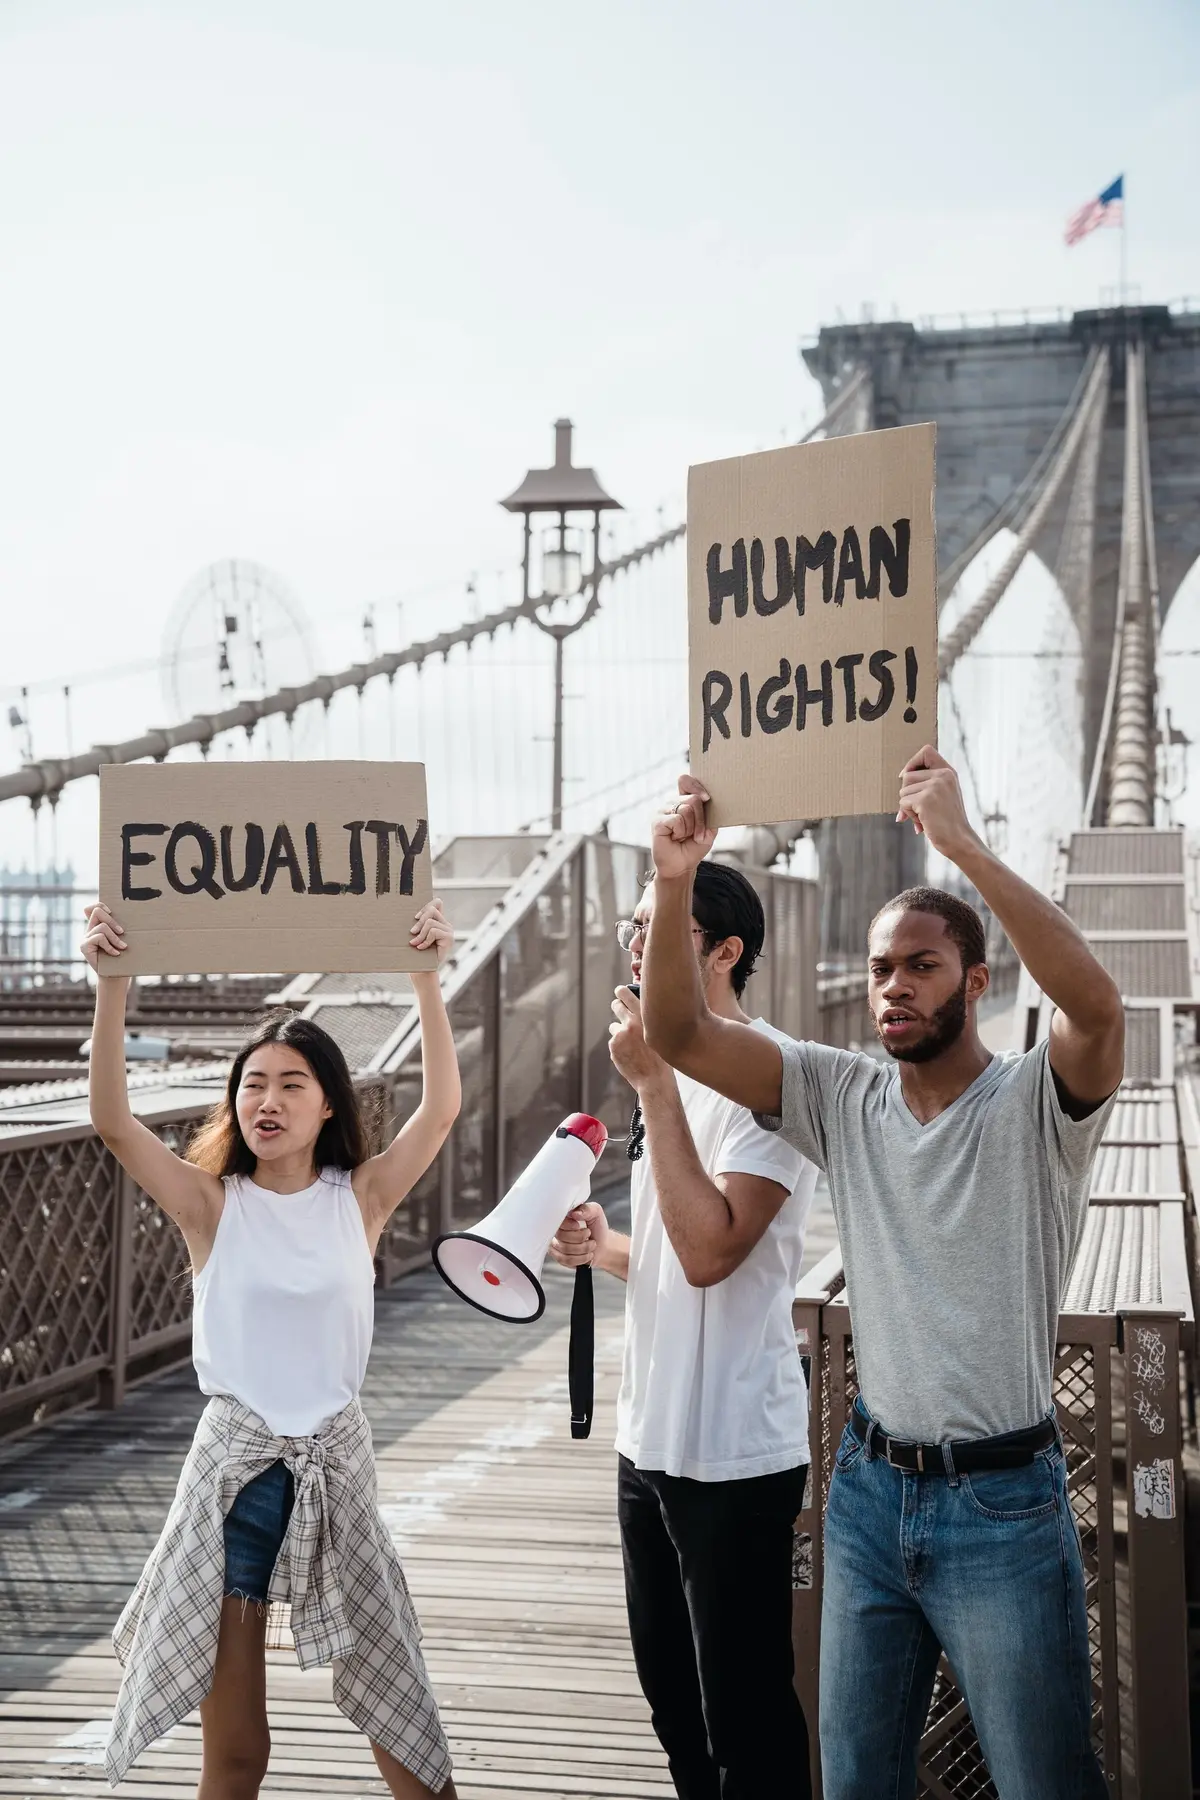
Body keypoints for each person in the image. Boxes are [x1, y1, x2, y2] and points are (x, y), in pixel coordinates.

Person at [639, 747, 1124, 1800]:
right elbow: (676, 1032)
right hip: (866, 1494)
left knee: (1046, 1782)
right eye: (879, 969)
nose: (893, 987)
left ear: (978, 982)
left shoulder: (1040, 1105)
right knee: (855, 1782)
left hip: (1003, 1504)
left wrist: (961, 847)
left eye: (922, 965)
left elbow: (1098, 1010)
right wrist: (674, 875)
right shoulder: (839, 1094)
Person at [83, 898, 461, 1800]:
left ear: (328, 1101)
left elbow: (441, 1109)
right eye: (253, 1084)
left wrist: (426, 979)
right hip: (236, 1479)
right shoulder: (210, 1205)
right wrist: (112, 990)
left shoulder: (358, 1198)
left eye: (292, 1083)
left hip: (337, 1464)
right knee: (239, 1751)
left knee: (404, 1719)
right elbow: (113, 1121)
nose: (268, 1101)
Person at [549, 859, 818, 1800]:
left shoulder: (770, 1079)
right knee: (672, 1706)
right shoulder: (663, 1074)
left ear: (725, 952)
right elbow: (673, 1252)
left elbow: (713, 1254)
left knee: (742, 1713)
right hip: (647, 1439)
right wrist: (604, 1244)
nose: (637, 948)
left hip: (736, 1454)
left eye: (660, 928)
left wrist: (657, 1089)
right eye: (633, 928)